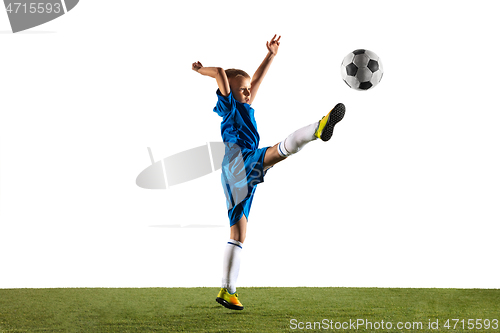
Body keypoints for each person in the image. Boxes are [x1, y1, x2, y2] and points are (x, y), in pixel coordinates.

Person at [192, 35, 345, 310]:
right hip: (239, 161)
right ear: (229, 93)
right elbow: (218, 73)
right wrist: (201, 70)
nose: (248, 92)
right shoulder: (229, 107)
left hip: (237, 168)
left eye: (247, 89)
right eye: (242, 90)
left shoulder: (245, 105)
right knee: (274, 153)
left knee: (239, 233)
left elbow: (257, 81)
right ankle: (317, 128)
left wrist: (270, 56)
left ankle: (228, 291)